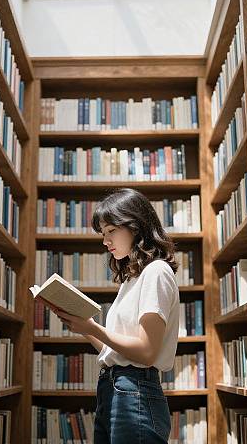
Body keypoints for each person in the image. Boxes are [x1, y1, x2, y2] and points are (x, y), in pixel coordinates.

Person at [43, 188, 180, 443]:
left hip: (135, 390)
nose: (105, 241)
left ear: (135, 227)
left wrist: (94, 329)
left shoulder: (156, 272)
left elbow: (146, 351)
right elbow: (116, 353)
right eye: (102, 234)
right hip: (113, 388)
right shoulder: (131, 279)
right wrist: (85, 327)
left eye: (110, 232)